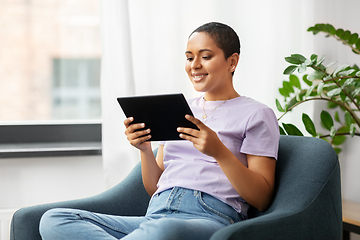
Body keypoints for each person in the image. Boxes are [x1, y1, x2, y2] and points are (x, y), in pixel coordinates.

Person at [39, 22, 280, 240]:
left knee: (164, 231)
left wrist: (219, 151)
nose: (194, 65)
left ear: (232, 62)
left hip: (210, 218)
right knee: (55, 219)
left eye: (205, 56)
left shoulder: (257, 114)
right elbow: (155, 187)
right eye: (189, 57)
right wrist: (144, 149)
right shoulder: (178, 108)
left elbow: (261, 197)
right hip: (156, 215)